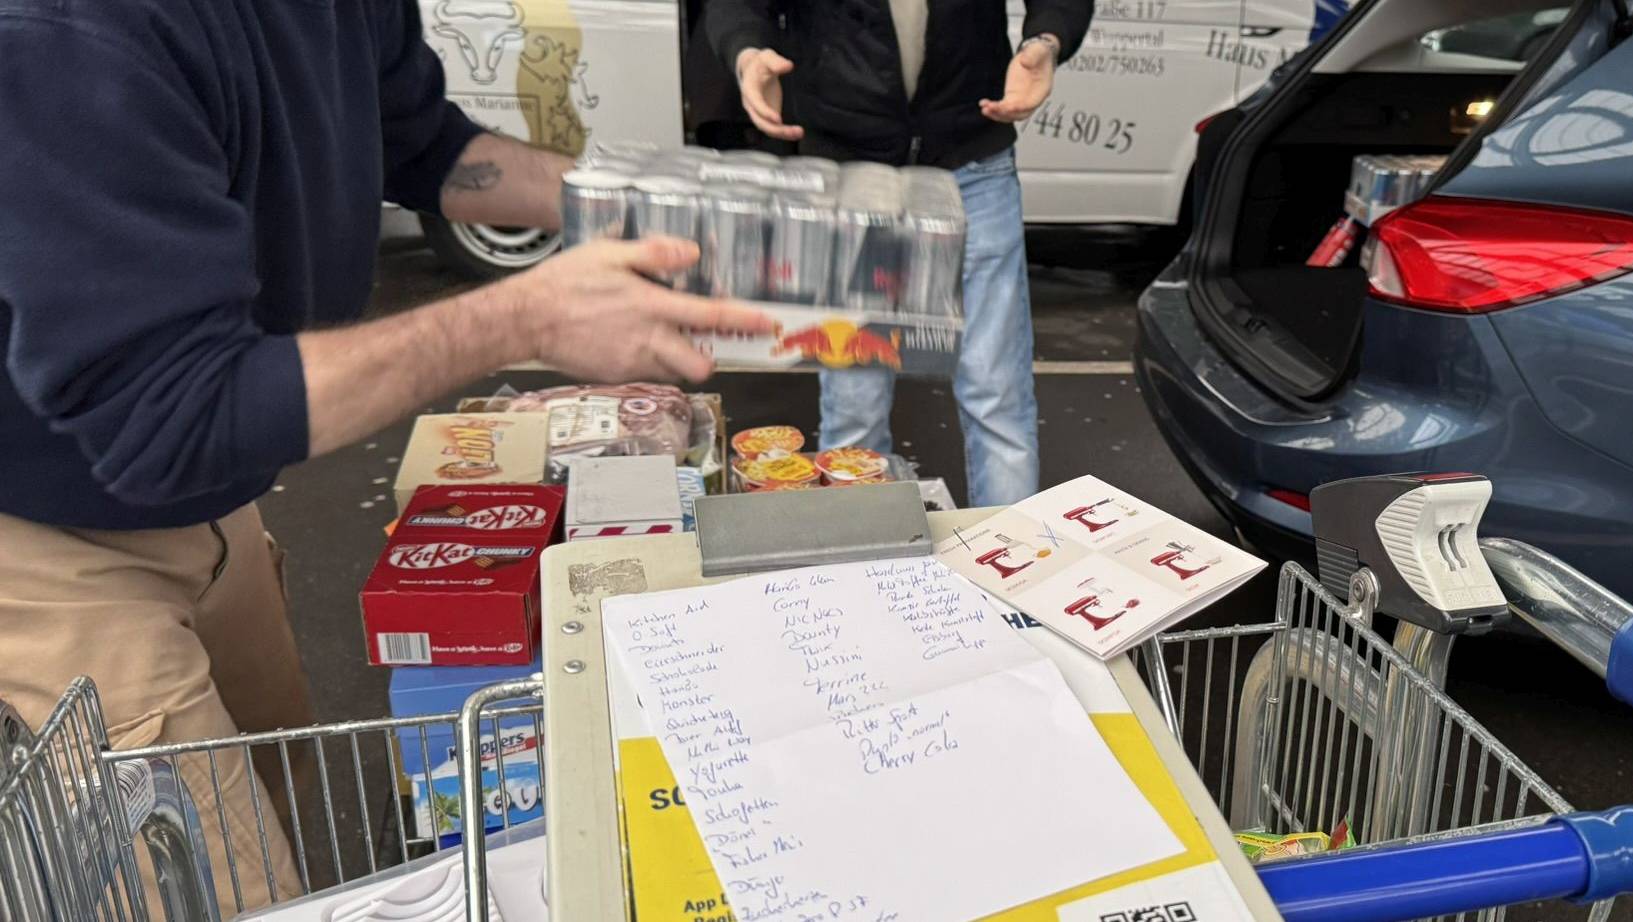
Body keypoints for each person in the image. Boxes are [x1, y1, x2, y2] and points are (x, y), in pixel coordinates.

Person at [0, 0, 767, 912]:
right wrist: (528, 315)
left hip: (215, 505)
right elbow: (168, 414)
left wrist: (646, 214)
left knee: (274, 790)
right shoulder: (67, 37)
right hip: (51, 539)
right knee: (217, 887)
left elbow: (430, 149)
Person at [707, 0, 1092, 507]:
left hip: (971, 160)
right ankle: (867, 569)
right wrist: (746, 52)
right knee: (854, 407)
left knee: (998, 397)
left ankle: (1012, 562)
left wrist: (1047, 40)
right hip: (849, 170)